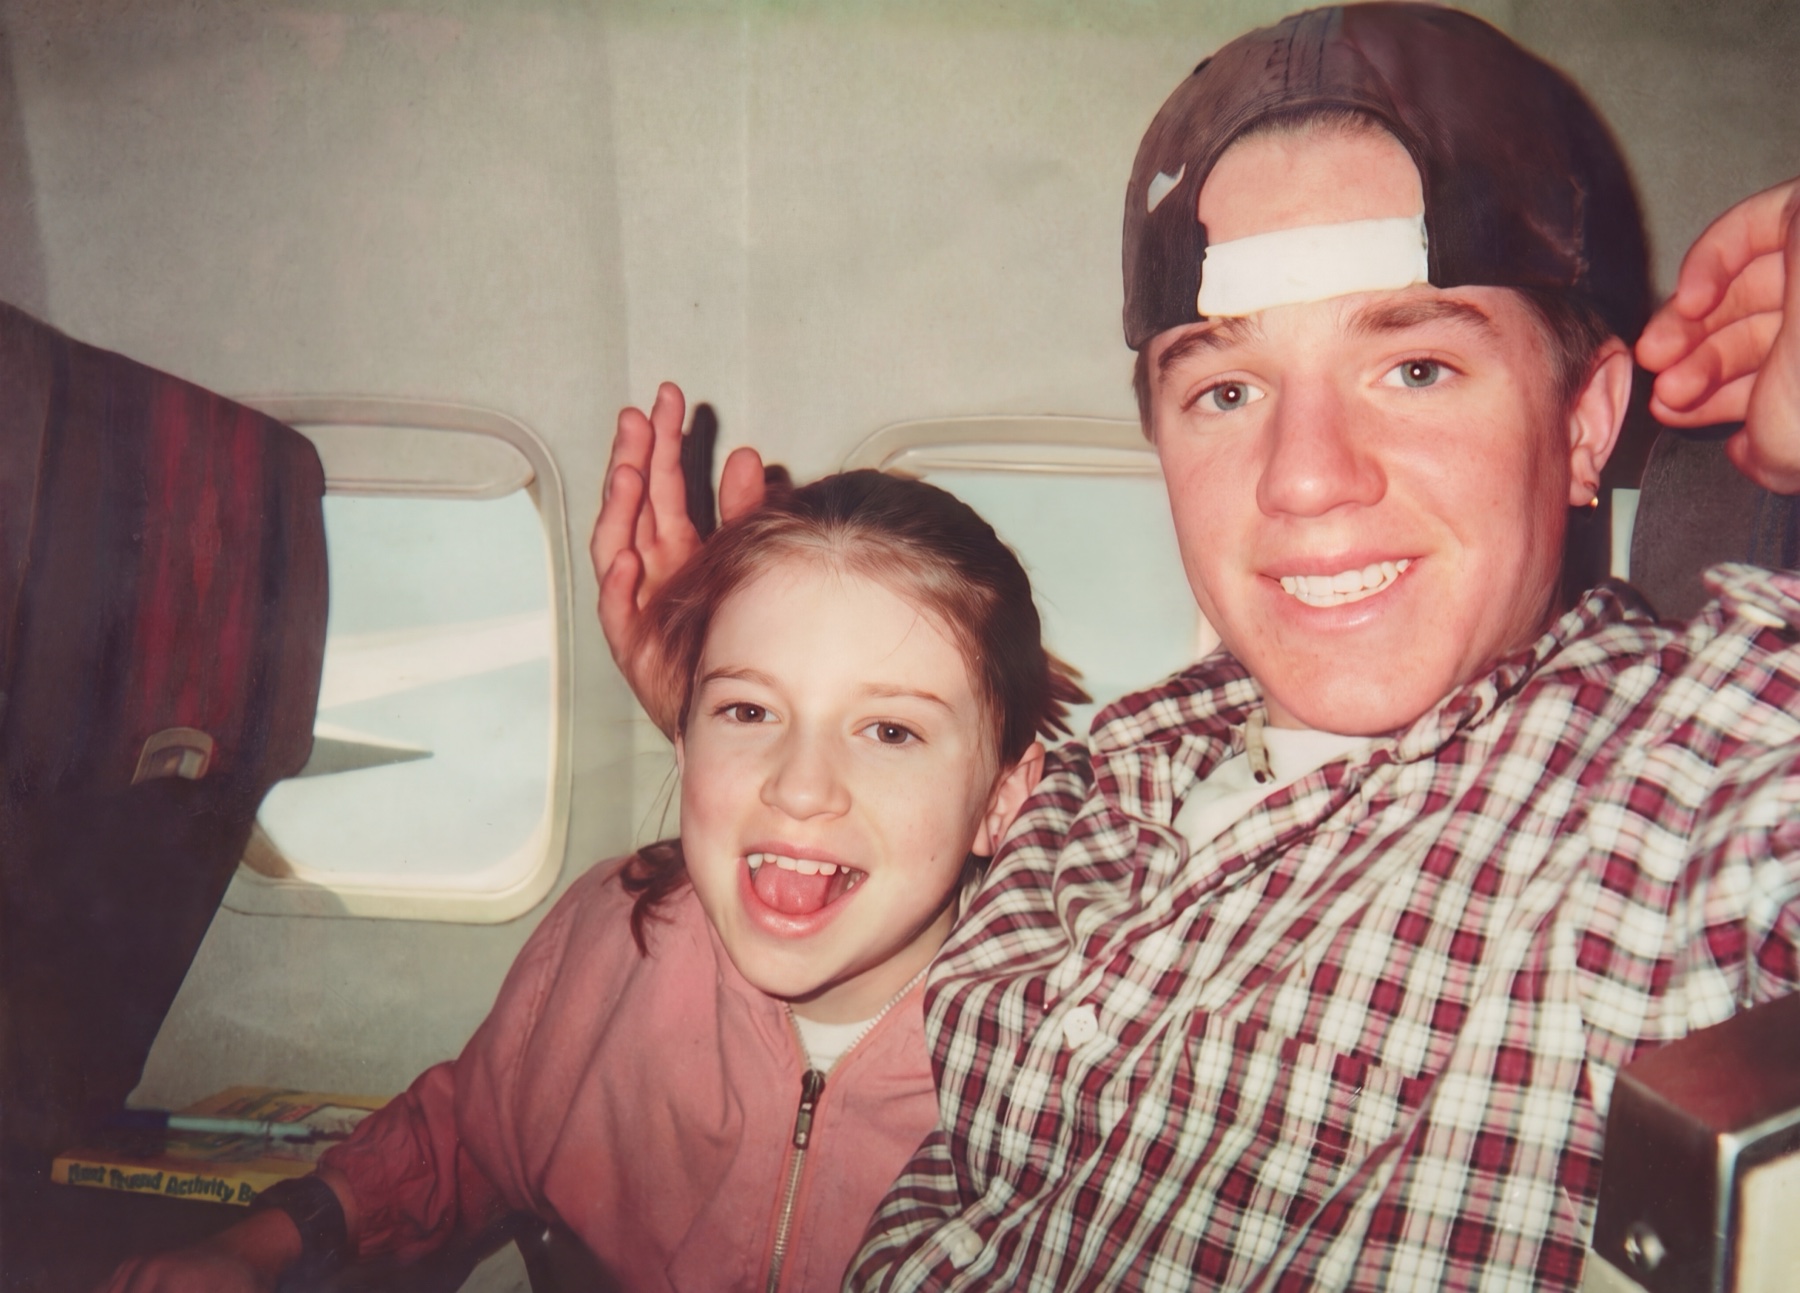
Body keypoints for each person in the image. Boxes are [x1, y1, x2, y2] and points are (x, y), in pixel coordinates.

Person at [592, 6, 1800, 1288]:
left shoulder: (1685, 780)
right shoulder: (1115, 776)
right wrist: (726, 705)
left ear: (1584, 423)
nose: (1305, 477)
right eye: (1227, 391)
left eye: (1416, 369)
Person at [98, 469, 1082, 1292]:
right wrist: (261, 1244)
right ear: (682, 734)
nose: (798, 786)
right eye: (747, 712)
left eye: (891, 730)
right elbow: (471, 1133)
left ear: (1002, 797)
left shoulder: (1076, 1065)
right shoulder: (619, 935)